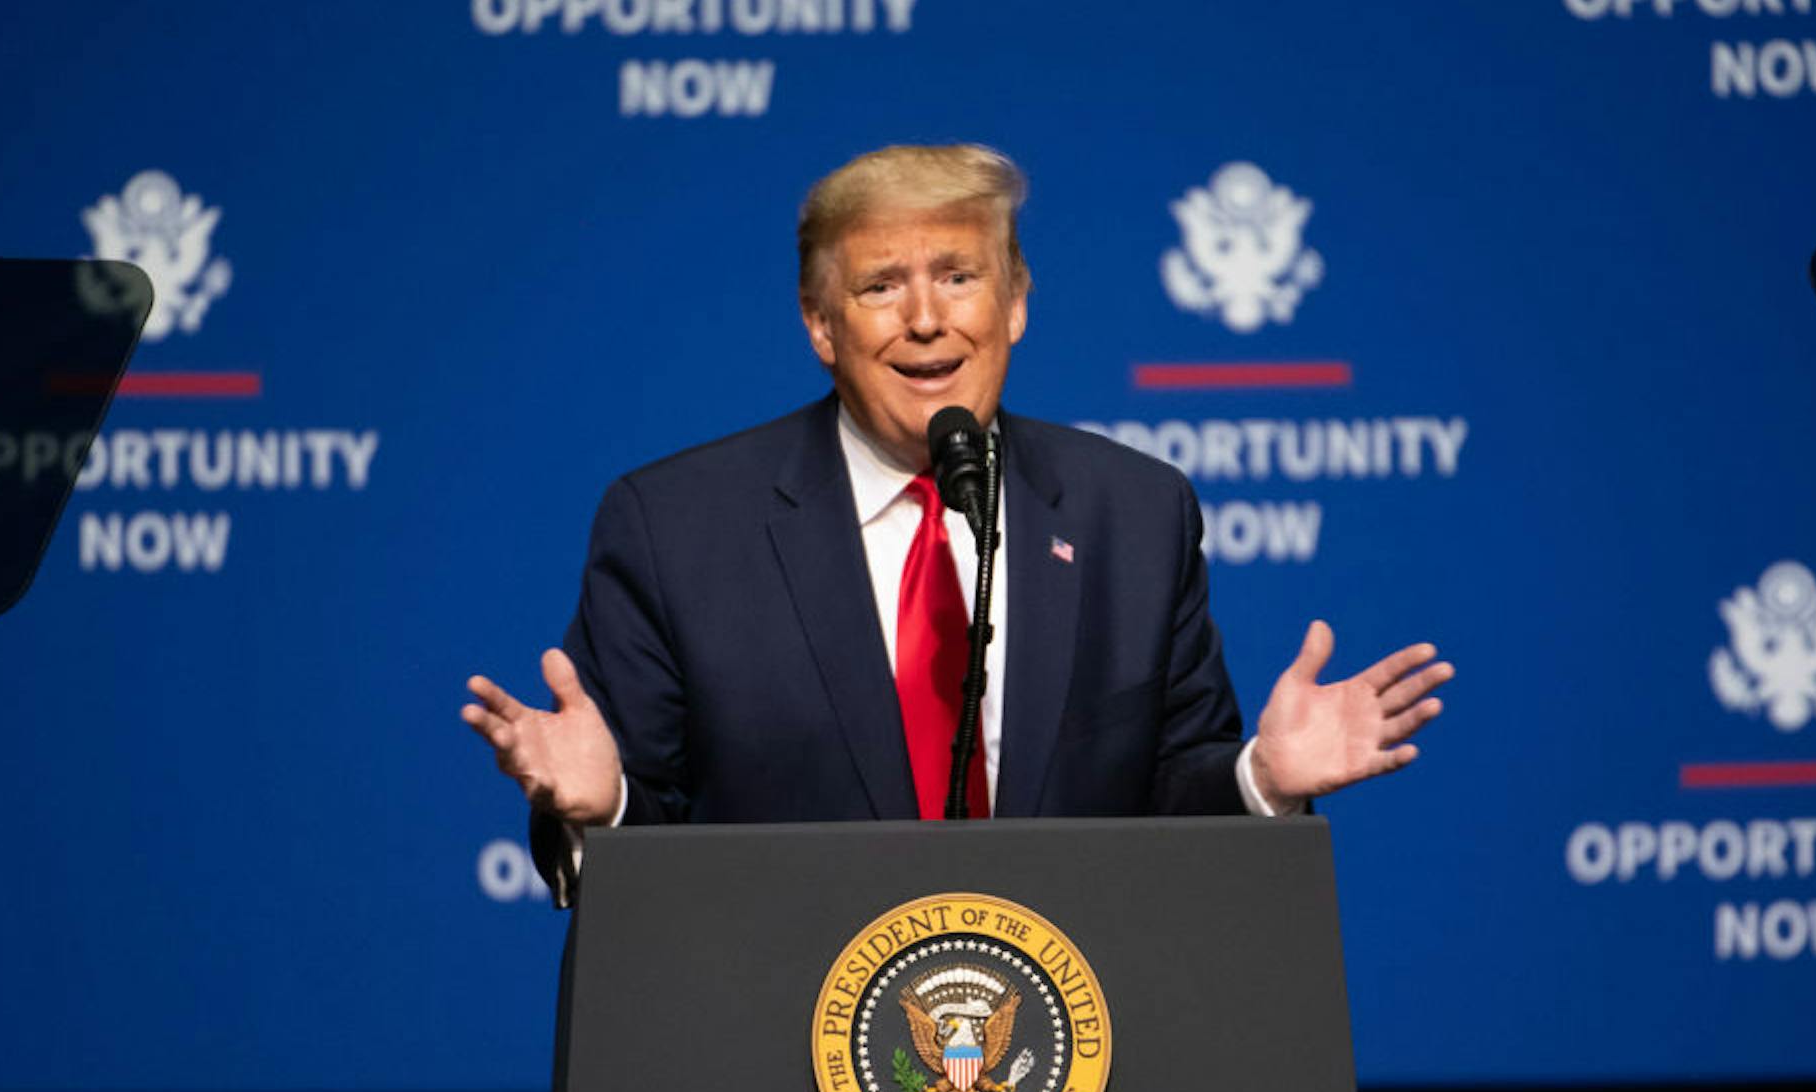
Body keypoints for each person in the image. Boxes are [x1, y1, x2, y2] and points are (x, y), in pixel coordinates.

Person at [461, 144, 1451, 905]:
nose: (925, 319)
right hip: (773, 1052)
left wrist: (1260, 779)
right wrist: (608, 809)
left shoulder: (1133, 515)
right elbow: (640, 853)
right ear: (819, 325)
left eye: (959, 276)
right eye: (880, 285)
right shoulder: (675, 528)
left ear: (1014, 302)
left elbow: (1170, 825)